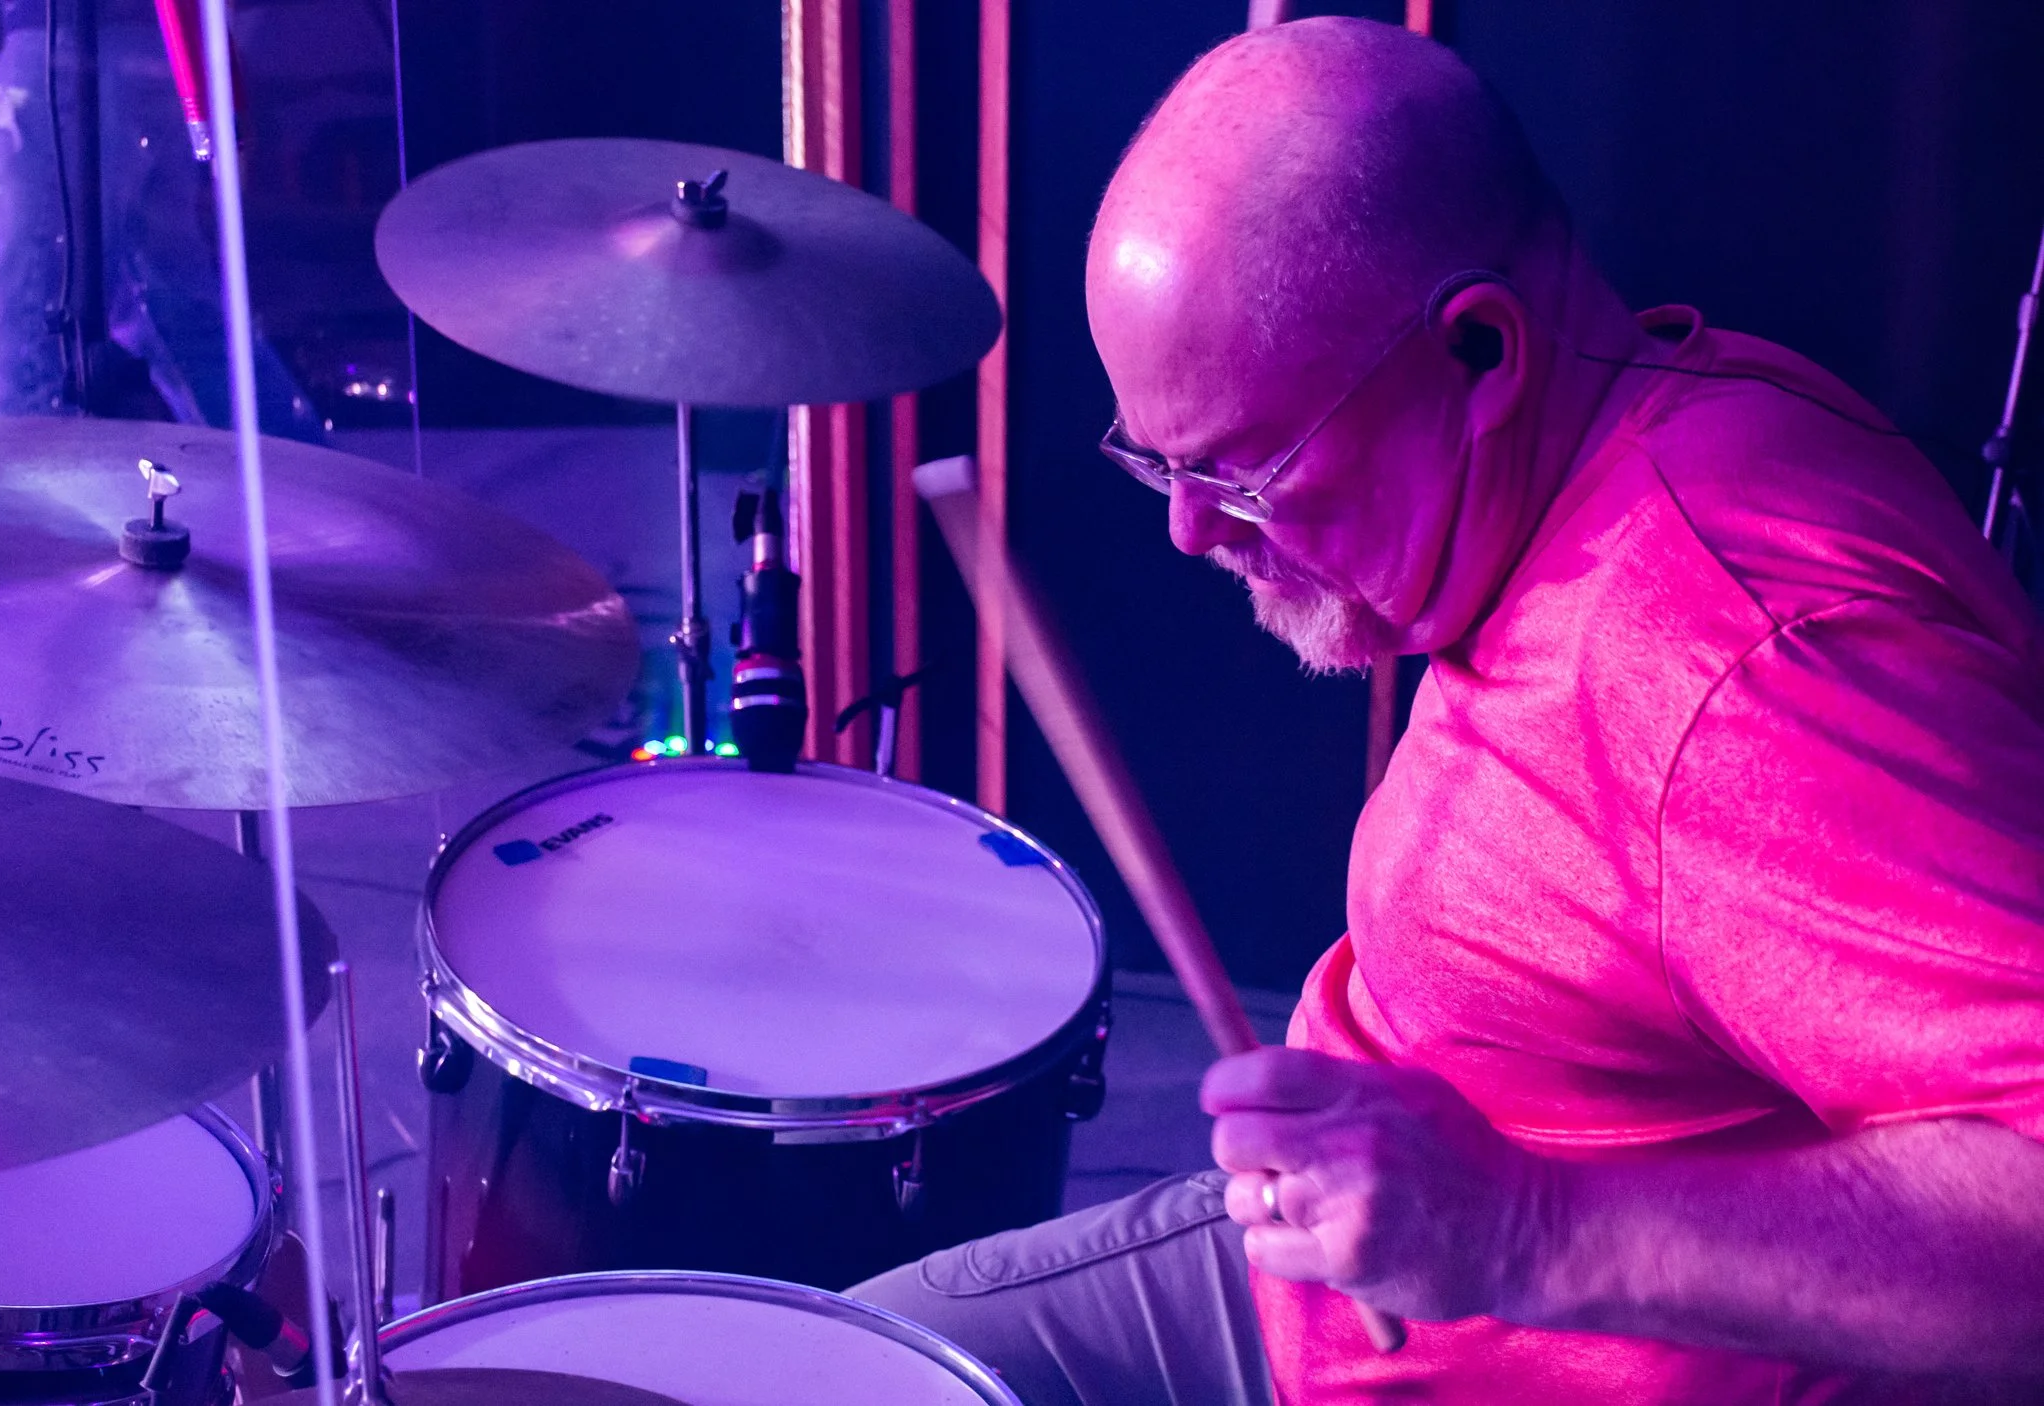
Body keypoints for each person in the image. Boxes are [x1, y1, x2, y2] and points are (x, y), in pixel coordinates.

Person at [850, 17, 2044, 1404]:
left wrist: (1521, 1227)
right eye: (1157, 463)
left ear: (1481, 351)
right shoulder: (1619, 436)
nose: (1187, 533)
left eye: (1242, 470)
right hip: (1325, 1281)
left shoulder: (1734, 670)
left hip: (1476, 1325)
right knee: (812, 1364)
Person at [0, 0, 325, 440]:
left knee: (13, 347)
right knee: (173, 309)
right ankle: (310, 486)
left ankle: (42, 504)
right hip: (155, 41)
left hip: (68, 40)